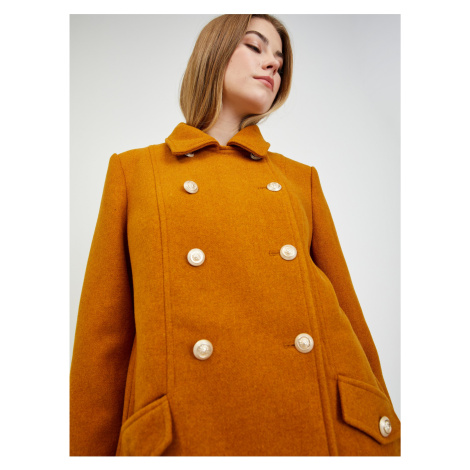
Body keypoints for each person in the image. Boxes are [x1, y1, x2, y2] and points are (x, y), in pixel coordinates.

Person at [70, 14, 400, 456]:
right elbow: (102, 340)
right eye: (255, 46)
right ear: (215, 52)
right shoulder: (135, 172)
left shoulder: (299, 178)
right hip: (187, 428)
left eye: (279, 59)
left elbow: (348, 313)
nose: (273, 64)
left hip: (318, 421)